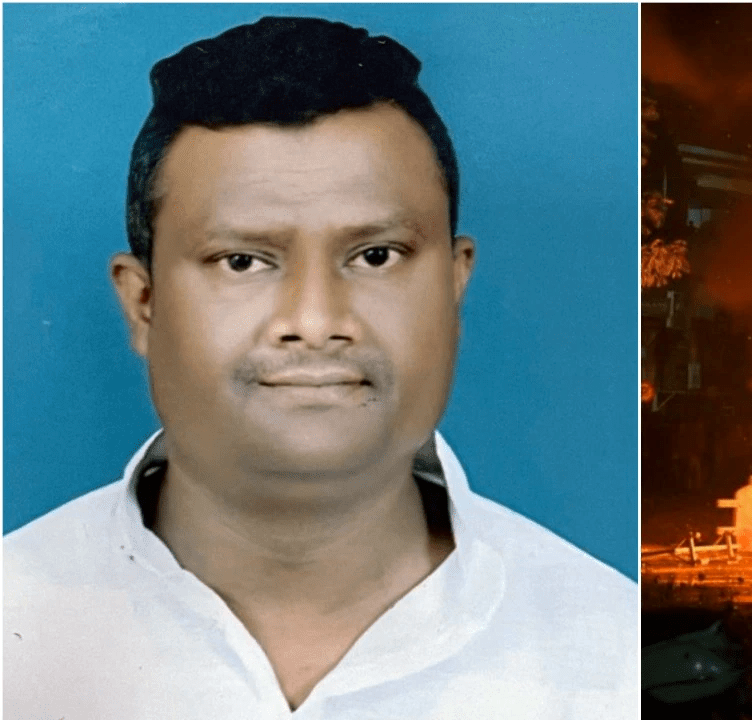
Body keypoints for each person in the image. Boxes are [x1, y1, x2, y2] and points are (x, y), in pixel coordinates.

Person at [4, 16, 637, 719]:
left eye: (375, 256)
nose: (313, 319)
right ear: (143, 303)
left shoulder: (613, 654)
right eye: (242, 260)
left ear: (455, 286)